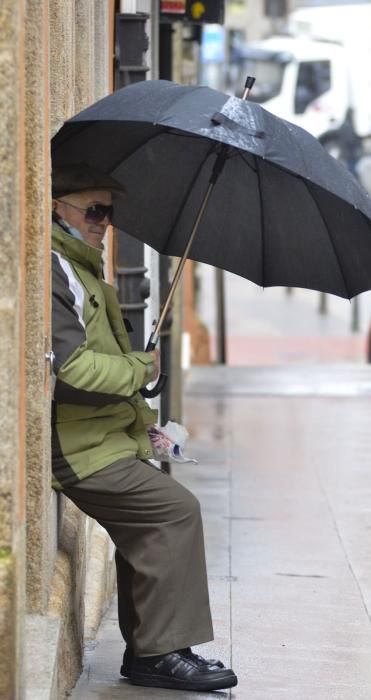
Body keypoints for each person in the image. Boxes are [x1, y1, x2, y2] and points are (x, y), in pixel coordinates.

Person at [50, 164, 237, 692]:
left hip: (103, 438)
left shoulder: (81, 268)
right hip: (77, 447)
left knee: (152, 519)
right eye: (94, 210)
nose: (104, 223)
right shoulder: (55, 269)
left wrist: (137, 368)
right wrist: (138, 368)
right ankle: (160, 653)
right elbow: (68, 371)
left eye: (109, 213)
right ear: (57, 207)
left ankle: (152, 648)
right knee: (174, 512)